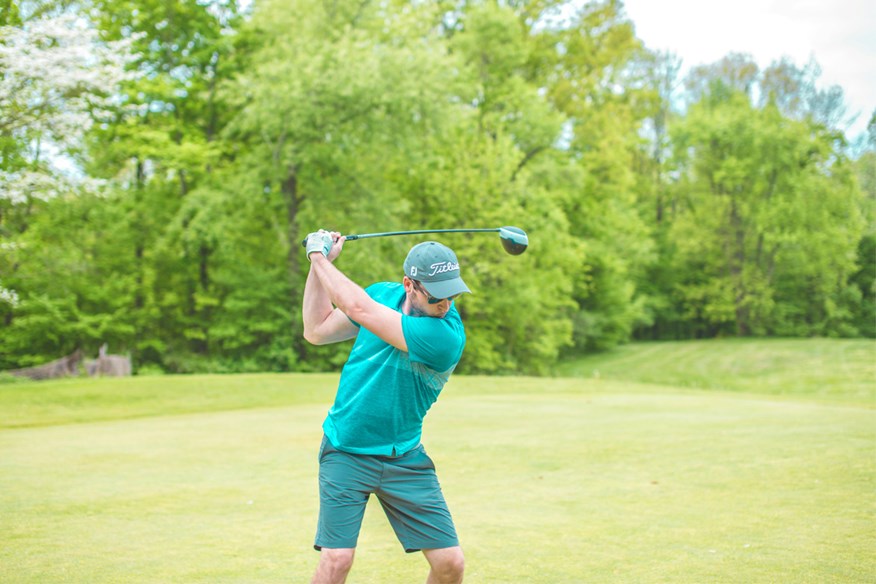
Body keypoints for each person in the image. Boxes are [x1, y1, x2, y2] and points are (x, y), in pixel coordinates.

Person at [302, 229, 470, 584]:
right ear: (410, 284)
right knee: (337, 561)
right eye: (438, 295)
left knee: (450, 564)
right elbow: (316, 330)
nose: (447, 304)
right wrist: (320, 267)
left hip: (405, 457)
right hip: (346, 449)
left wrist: (317, 256)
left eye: (452, 294)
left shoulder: (445, 336)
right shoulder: (382, 294)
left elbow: (357, 306)